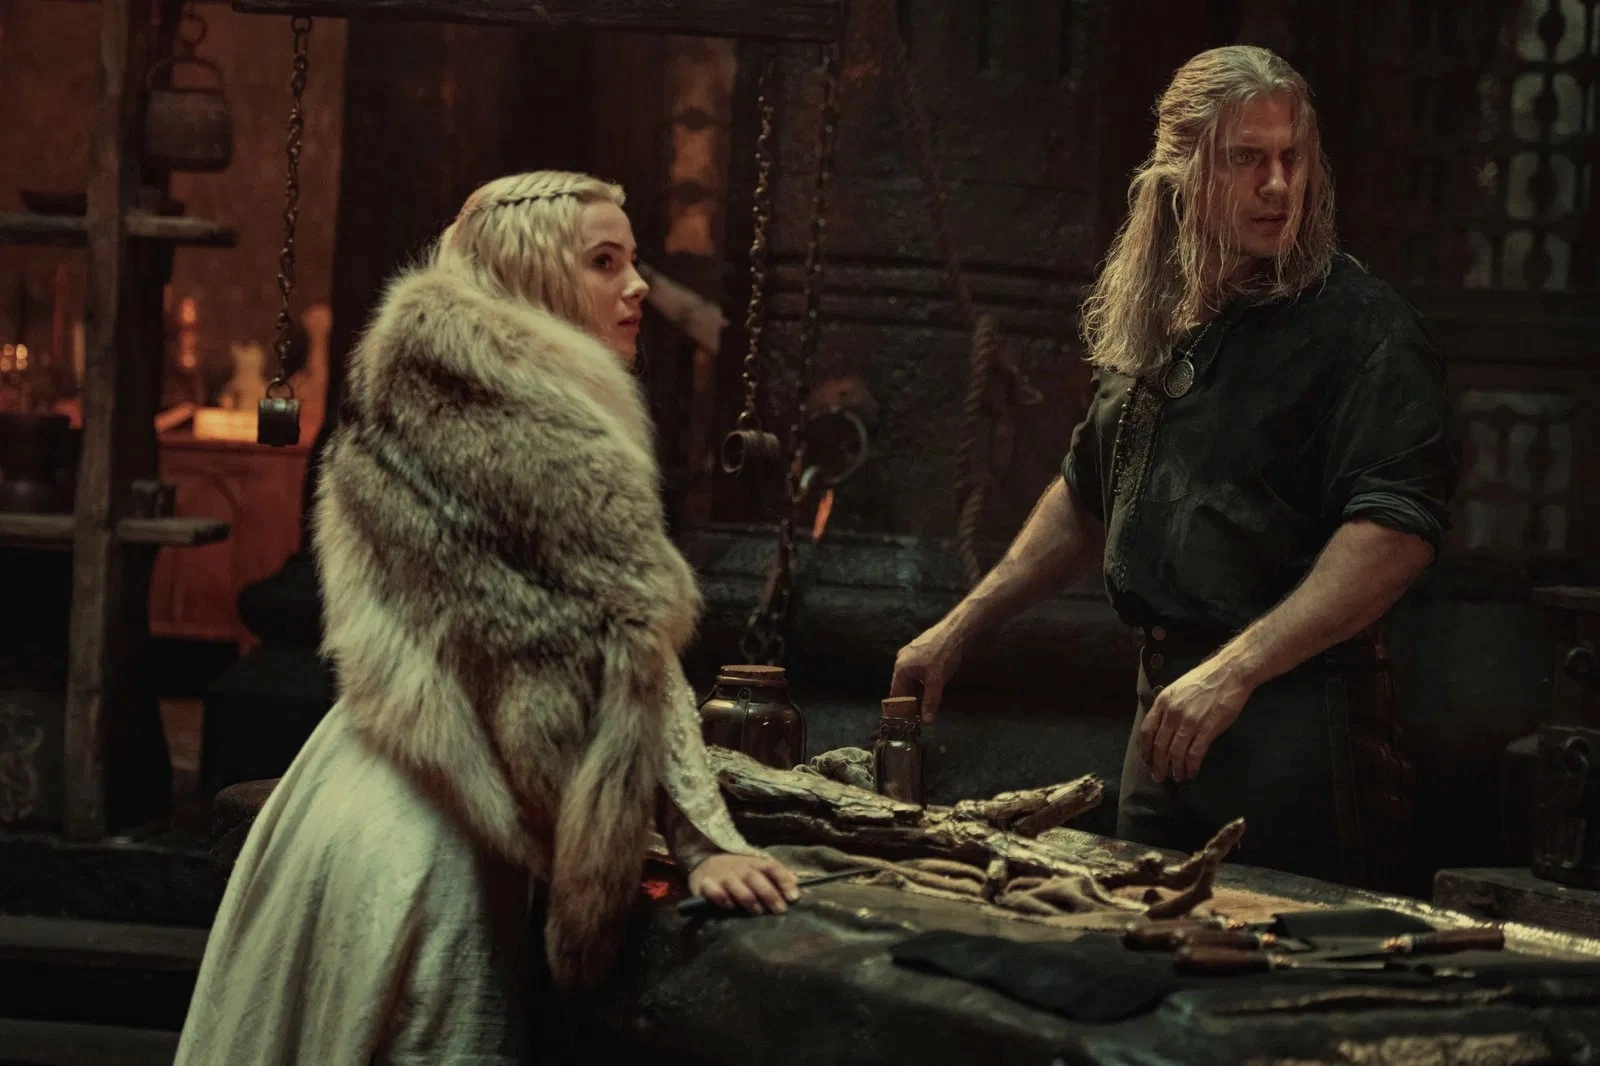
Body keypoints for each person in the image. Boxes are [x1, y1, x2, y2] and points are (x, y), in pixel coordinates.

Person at [175, 171, 799, 1065]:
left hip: (354, 784)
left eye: (632, 261)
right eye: (604, 262)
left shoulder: (412, 392)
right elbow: (631, 653)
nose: (637, 287)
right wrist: (704, 841)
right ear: (532, 272)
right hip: (441, 838)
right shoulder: (541, 429)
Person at [890, 46, 1457, 890]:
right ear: (1181, 173)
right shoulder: (1162, 317)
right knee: (1141, 939)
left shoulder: (1362, 328)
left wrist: (1235, 671)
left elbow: (1396, 532)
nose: (1278, 185)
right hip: (1161, 726)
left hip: (1295, 733)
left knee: (1278, 956)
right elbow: (1088, 496)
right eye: (1246, 158)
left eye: (1292, 157)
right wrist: (960, 626)